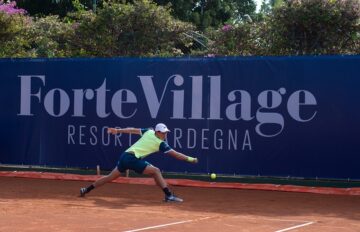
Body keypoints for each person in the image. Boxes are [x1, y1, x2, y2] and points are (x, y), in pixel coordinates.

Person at [79, 123, 198, 202]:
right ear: (157, 132)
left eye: (166, 132)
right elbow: (176, 155)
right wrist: (191, 159)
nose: (165, 134)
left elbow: (132, 130)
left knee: (110, 177)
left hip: (125, 156)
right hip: (132, 158)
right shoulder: (161, 143)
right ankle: (169, 195)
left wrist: (118, 130)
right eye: (163, 132)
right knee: (155, 171)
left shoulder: (149, 132)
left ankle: (86, 189)